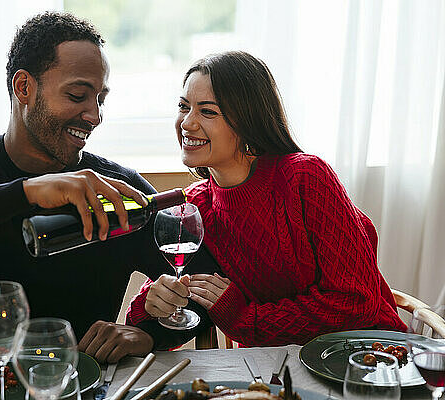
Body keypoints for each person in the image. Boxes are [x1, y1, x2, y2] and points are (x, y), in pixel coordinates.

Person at [0, 12, 216, 361]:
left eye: (100, 99)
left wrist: (148, 334)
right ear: (24, 88)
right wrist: (27, 191)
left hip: (76, 386)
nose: (95, 116)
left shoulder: (113, 189)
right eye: (78, 95)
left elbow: (211, 292)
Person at [126, 51, 407, 347]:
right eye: (183, 107)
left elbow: (356, 303)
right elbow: (164, 316)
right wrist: (152, 306)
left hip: (368, 354)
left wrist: (245, 319)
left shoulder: (305, 177)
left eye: (208, 111)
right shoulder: (194, 208)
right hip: (270, 371)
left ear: (248, 120)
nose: (187, 123)